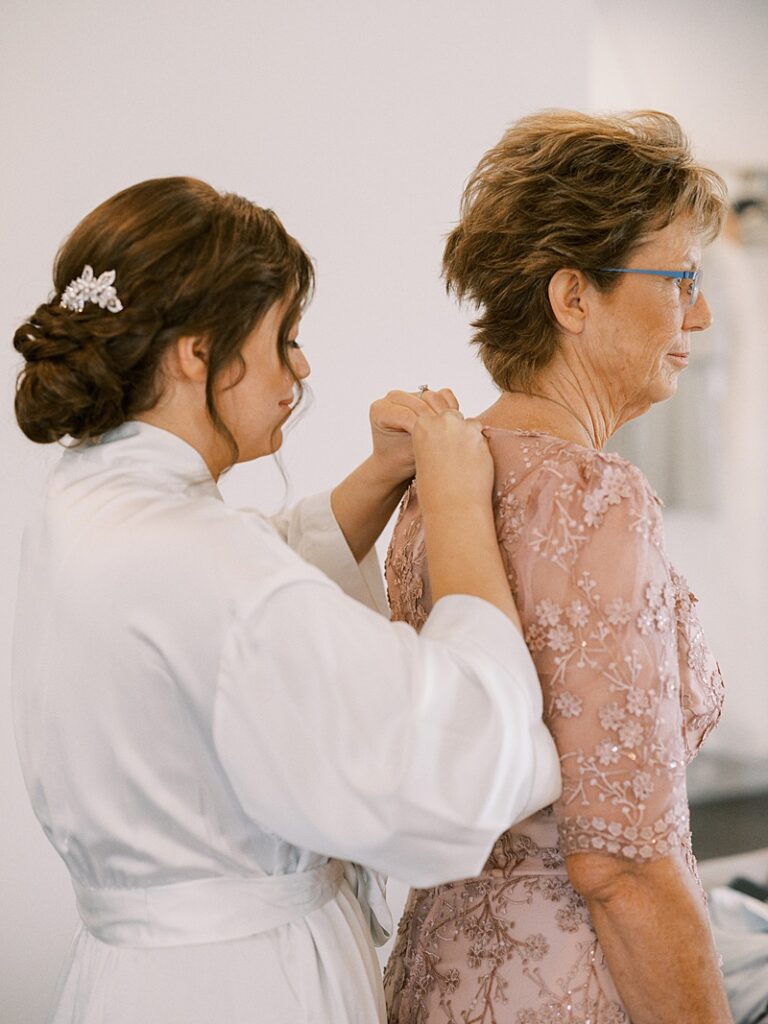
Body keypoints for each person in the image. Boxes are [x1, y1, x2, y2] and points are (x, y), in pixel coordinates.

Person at [10, 177, 561, 1024]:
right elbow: (442, 753)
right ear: (197, 352)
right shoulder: (200, 558)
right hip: (240, 990)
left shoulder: (88, 495)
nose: (300, 370)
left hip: (129, 980)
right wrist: (456, 502)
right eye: (284, 338)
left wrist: (379, 477)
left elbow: (249, 592)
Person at [384, 111, 734, 1024]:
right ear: (573, 298)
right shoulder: (595, 496)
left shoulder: (437, 475)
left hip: (437, 972)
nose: (699, 313)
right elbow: (622, 861)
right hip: (563, 990)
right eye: (681, 278)